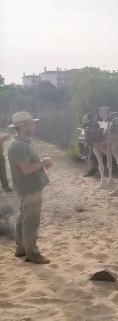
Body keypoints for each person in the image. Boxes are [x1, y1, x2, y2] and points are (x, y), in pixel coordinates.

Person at [7, 111, 53, 264]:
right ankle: (32, 253)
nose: (34, 126)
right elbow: (26, 169)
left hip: (26, 188)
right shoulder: (19, 145)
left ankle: (21, 249)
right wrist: (43, 163)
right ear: (23, 126)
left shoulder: (22, 142)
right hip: (30, 188)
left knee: (22, 217)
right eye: (31, 124)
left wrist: (41, 163)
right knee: (31, 221)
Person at [82, 112, 100, 177]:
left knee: (88, 156)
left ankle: (90, 171)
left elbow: (84, 133)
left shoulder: (86, 124)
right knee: (90, 156)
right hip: (97, 142)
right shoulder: (97, 124)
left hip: (89, 142)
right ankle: (92, 169)